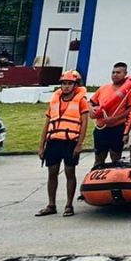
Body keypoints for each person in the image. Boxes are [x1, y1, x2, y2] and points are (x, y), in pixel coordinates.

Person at [36, 70, 89, 217]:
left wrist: (79, 144)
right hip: (53, 142)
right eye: (64, 83)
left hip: (70, 142)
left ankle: (68, 205)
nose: (66, 87)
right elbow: (47, 123)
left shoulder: (81, 101)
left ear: (76, 85)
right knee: (52, 172)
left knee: (69, 172)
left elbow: (84, 122)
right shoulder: (54, 100)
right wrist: (41, 146)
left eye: (69, 84)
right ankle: (51, 204)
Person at [90, 62, 131, 169]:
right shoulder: (103, 88)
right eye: (113, 72)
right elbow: (91, 102)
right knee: (98, 159)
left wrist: (114, 119)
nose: (115, 75)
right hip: (101, 129)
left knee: (116, 159)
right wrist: (91, 111)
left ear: (125, 74)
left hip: (117, 128)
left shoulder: (129, 91)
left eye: (118, 72)